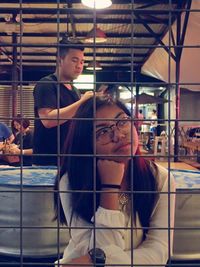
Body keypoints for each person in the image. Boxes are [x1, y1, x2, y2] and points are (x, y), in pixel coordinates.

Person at [54, 96, 176, 267]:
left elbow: (159, 250)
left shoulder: (159, 178)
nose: (118, 135)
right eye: (102, 131)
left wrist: (104, 261)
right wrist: (110, 188)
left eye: (122, 122)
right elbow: (92, 250)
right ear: (87, 145)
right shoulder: (71, 180)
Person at [33, 36, 94, 166]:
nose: (79, 66)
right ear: (60, 60)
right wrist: (82, 102)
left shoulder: (75, 91)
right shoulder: (46, 84)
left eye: (82, 62)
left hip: (69, 160)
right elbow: (48, 120)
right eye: (74, 60)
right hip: (47, 162)